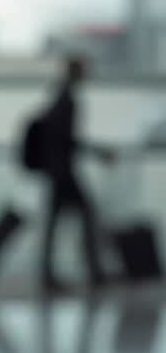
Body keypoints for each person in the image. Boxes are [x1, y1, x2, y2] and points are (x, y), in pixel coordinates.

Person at [39, 55, 116, 295]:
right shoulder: (67, 100)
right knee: (85, 217)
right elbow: (67, 139)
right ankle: (92, 272)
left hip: (58, 170)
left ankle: (55, 274)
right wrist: (98, 152)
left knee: (60, 222)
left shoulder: (61, 96)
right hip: (63, 172)